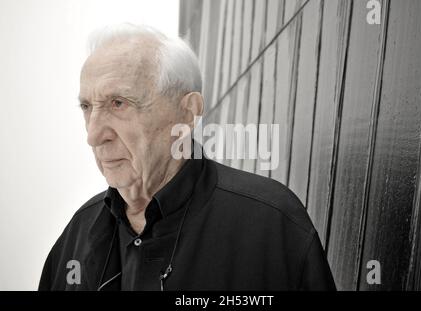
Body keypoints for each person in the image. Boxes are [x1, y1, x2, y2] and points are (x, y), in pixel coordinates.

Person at [38, 24, 336, 291]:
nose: (93, 135)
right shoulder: (75, 236)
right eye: (87, 107)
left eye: (118, 103)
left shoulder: (271, 224)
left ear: (188, 113)